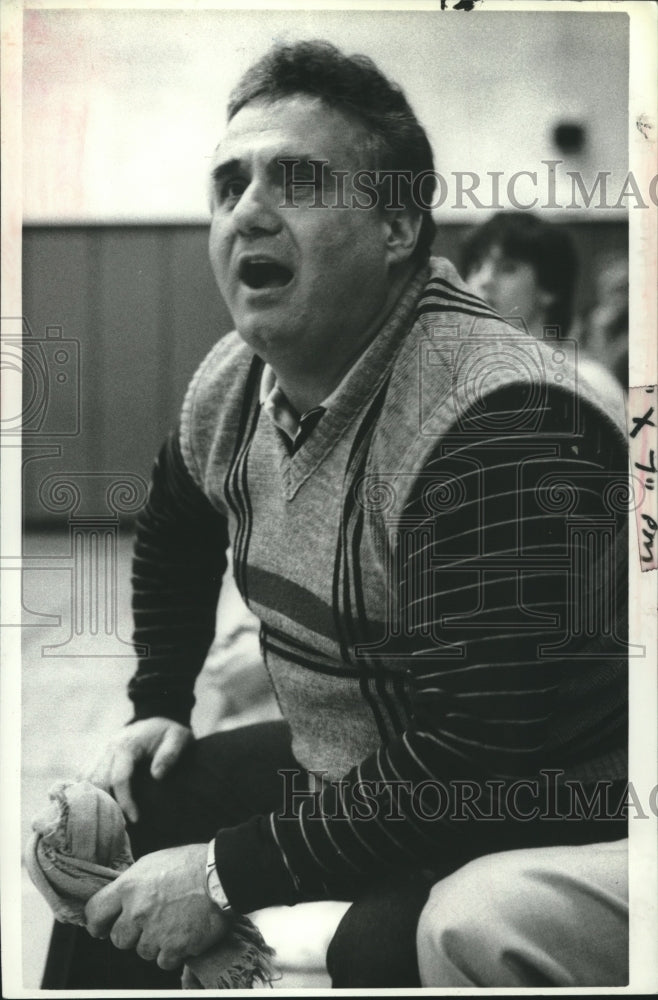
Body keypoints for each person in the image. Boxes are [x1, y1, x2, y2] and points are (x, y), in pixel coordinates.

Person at [41, 41, 629, 988]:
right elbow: (175, 527)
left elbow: (471, 764)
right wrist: (160, 699)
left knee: (372, 948)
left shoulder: (498, 418)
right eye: (228, 185)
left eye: (298, 181)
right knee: (136, 811)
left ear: (398, 222)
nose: (249, 211)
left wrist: (222, 879)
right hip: (367, 766)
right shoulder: (233, 382)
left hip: (538, 807)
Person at [460, 210, 627, 426]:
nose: (484, 280)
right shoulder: (465, 384)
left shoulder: (587, 381)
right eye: (476, 267)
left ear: (549, 287)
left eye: (507, 268)